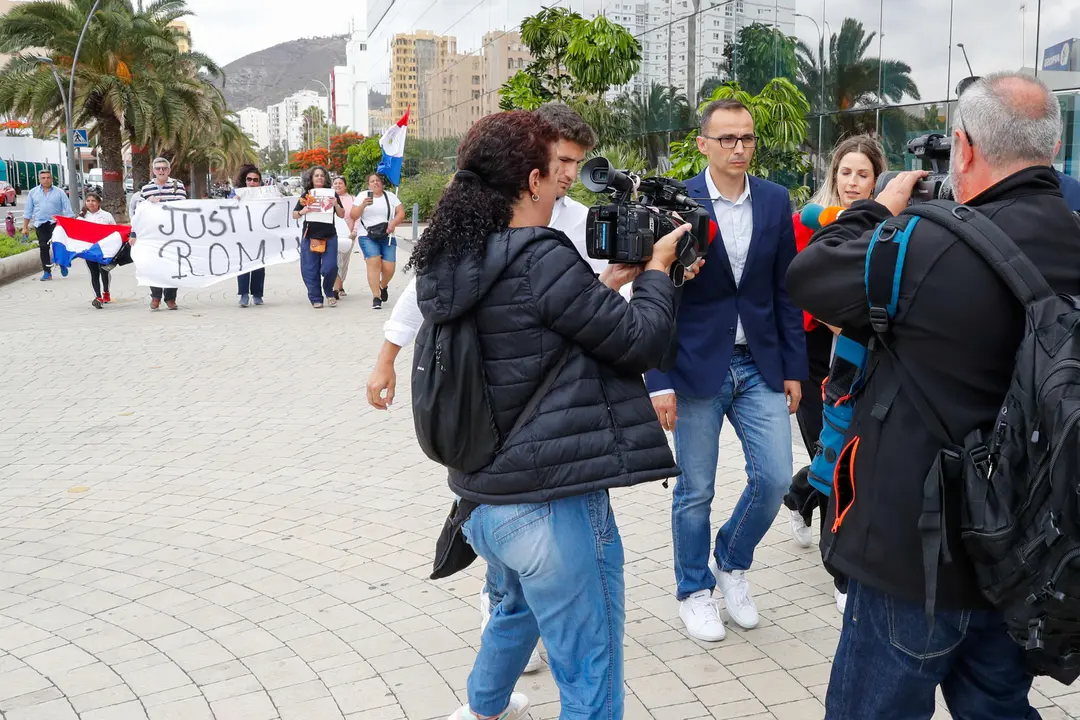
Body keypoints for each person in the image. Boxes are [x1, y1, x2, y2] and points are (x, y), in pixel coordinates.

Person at [788, 71, 1080, 719]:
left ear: (965, 148)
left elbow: (812, 273)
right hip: (1024, 557)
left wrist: (877, 208)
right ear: (1052, 148)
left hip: (912, 559)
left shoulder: (924, 242)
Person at [413, 109, 685, 720]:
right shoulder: (542, 255)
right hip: (553, 510)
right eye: (555, 167)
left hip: (483, 502)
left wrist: (610, 283)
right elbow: (641, 342)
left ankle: (482, 707)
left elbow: (539, 335)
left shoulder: (454, 259)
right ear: (531, 181)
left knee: (516, 609)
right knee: (591, 674)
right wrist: (660, 274)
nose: (565, 178)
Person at [367, 102, 623, 677]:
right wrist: (386, 359)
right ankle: (501, 610)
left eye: (576, 164)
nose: (566, 175)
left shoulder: (579, 222)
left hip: (553, 408)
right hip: (488, 396)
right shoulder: (478, 218)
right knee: (519, 534)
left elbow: (606, 310)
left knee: (520, 525)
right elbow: (422, 295)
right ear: (528, 164)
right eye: (558, 160)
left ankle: (493, 672)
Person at [650, 98, 806, 643]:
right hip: (694, 368)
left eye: (746, 139)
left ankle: (731, 562)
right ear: (703, 144)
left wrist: (793, 367)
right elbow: (656, 294)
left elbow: (786, 291)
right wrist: (658, 380)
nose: (739, 148)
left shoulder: (774, 199)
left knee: (775, 478)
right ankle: (693, 590)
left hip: (759, 363)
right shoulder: (676, 201)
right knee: (695, 489)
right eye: (727, 139)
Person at [782, 135, 886, 613]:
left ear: (877, 178)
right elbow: (804, 287)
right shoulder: (811, 220)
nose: (852, 182)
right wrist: (840, 320)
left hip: (861, 351)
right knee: (829, 453)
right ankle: (840, 573)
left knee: (844, 455)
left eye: (862, 174)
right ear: (833, 176)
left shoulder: (887, 224)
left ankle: (799, 498)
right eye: (845, 172)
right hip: (815, 351)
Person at [292, 165, 346, 308]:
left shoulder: (332, 194)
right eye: (316, 175)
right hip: (310, 236)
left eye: (322, 175)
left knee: (330, 267)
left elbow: (342, 215)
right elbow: (294, 214)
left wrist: (336, 205)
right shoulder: (306, 195)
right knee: (310, 269)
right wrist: (303, 211)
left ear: (326, 178)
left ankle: (328, 291)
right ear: (311, 178)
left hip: (329, 236)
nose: (320, 178)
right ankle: (316, 297)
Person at [139, 157, 187, 310]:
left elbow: (182, 206)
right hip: (153, 235)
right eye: (158, 168)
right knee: (154, 266)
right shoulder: (146, 188)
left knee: (173, 265)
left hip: (173, 233)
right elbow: (140, 212)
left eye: (164, 168)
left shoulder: (177, 186)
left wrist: (161, 204)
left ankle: (171, 298)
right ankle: (156, 297)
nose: (161, 171)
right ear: (153, 171)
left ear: (169, 170)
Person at [356, 173, 406, 310]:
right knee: (374, 262)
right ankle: (376, 296)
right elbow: (353, 215)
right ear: (368, 184)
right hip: (367, 235)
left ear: (382, 183)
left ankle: (382, 285)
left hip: (387, 234)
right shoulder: (362, 196)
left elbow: (401, 212)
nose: (375, 183)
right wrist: (363, 205)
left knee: (389, 267)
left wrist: (393, 223)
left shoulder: (390, 196)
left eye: (378, 180)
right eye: (372, 181)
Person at [21, 168, 74, 281]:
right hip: (40, 224)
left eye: (48, 177)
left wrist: (69, 224)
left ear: (52, 179)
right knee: (44, 247)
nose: (46, 180)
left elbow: (68, 210)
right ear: (39, 179)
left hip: (55, 223)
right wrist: (25, 227)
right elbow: (28, 211)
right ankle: (47, 272)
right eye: (43, 178)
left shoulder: (59, 192)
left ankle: (62, 264)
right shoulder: (33, 192)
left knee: (58, 245)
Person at [231, 164, 267, 307]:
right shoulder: (236, 193)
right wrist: (235, 201)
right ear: (245, 180)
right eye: (249, 179)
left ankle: (257, 294)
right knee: (244, 264)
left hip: (259, 234)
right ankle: (244, 294)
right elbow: (227, 208)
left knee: (259, 264)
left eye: (255, 180)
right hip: (243, 234)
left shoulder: (265, 194)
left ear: (259, 181)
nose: (252, 182)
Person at [78, 191, 117, 309]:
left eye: (93, 201)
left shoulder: (106, 216)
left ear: (99, 202)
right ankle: (98, 296)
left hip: (104, 249)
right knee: (94, 273)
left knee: (104, 270)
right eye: (88, 201)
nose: (91, 203)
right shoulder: (81, 217)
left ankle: (106, 291)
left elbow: (115, 231)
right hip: (89, 250)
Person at [331, 176, 357, 299]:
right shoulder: (330, 199)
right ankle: (335, 287)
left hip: (348, 236)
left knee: (344, 262)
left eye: (340, 183)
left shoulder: (353, 199)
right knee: (336, 261)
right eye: (335, 183)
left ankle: (340, 285)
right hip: (332, 235)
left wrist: (354, 232)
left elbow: (358, 217)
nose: (338, 185)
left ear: (345, 185)